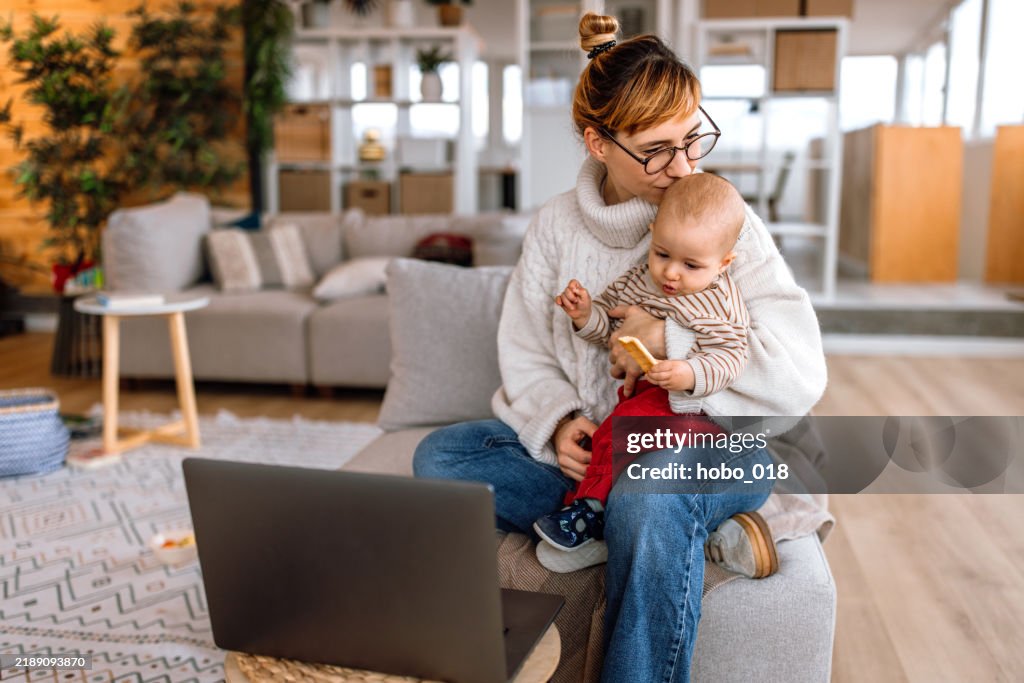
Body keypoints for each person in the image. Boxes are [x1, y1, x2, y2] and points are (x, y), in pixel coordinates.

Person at [413, 11, 827, 682]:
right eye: (658, 150)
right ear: (597, 143)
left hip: (714, 449)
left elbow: (801, 370)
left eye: (693, 139)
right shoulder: (553, 228)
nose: (686, 165)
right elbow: (524, 347)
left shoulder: (724, 220)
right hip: (606, 454)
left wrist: (673, 340)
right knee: (443, 453)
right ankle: (643, 526)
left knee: (650, 490)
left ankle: (627, 522)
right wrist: (559, 422)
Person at [534, 173, 754, 562]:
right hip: (642, 398)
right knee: (606, 440)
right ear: (652, 234)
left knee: (620, 437)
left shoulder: (721, 299)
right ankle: (594, 517)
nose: (671, 273)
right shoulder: (639, 280)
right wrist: (586, 315)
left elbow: (732, 355)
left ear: (723, 264)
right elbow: (612, 334)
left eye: (691, 265)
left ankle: (588, 515)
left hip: (695, 411)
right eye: (662, 253)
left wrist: (690, 374)